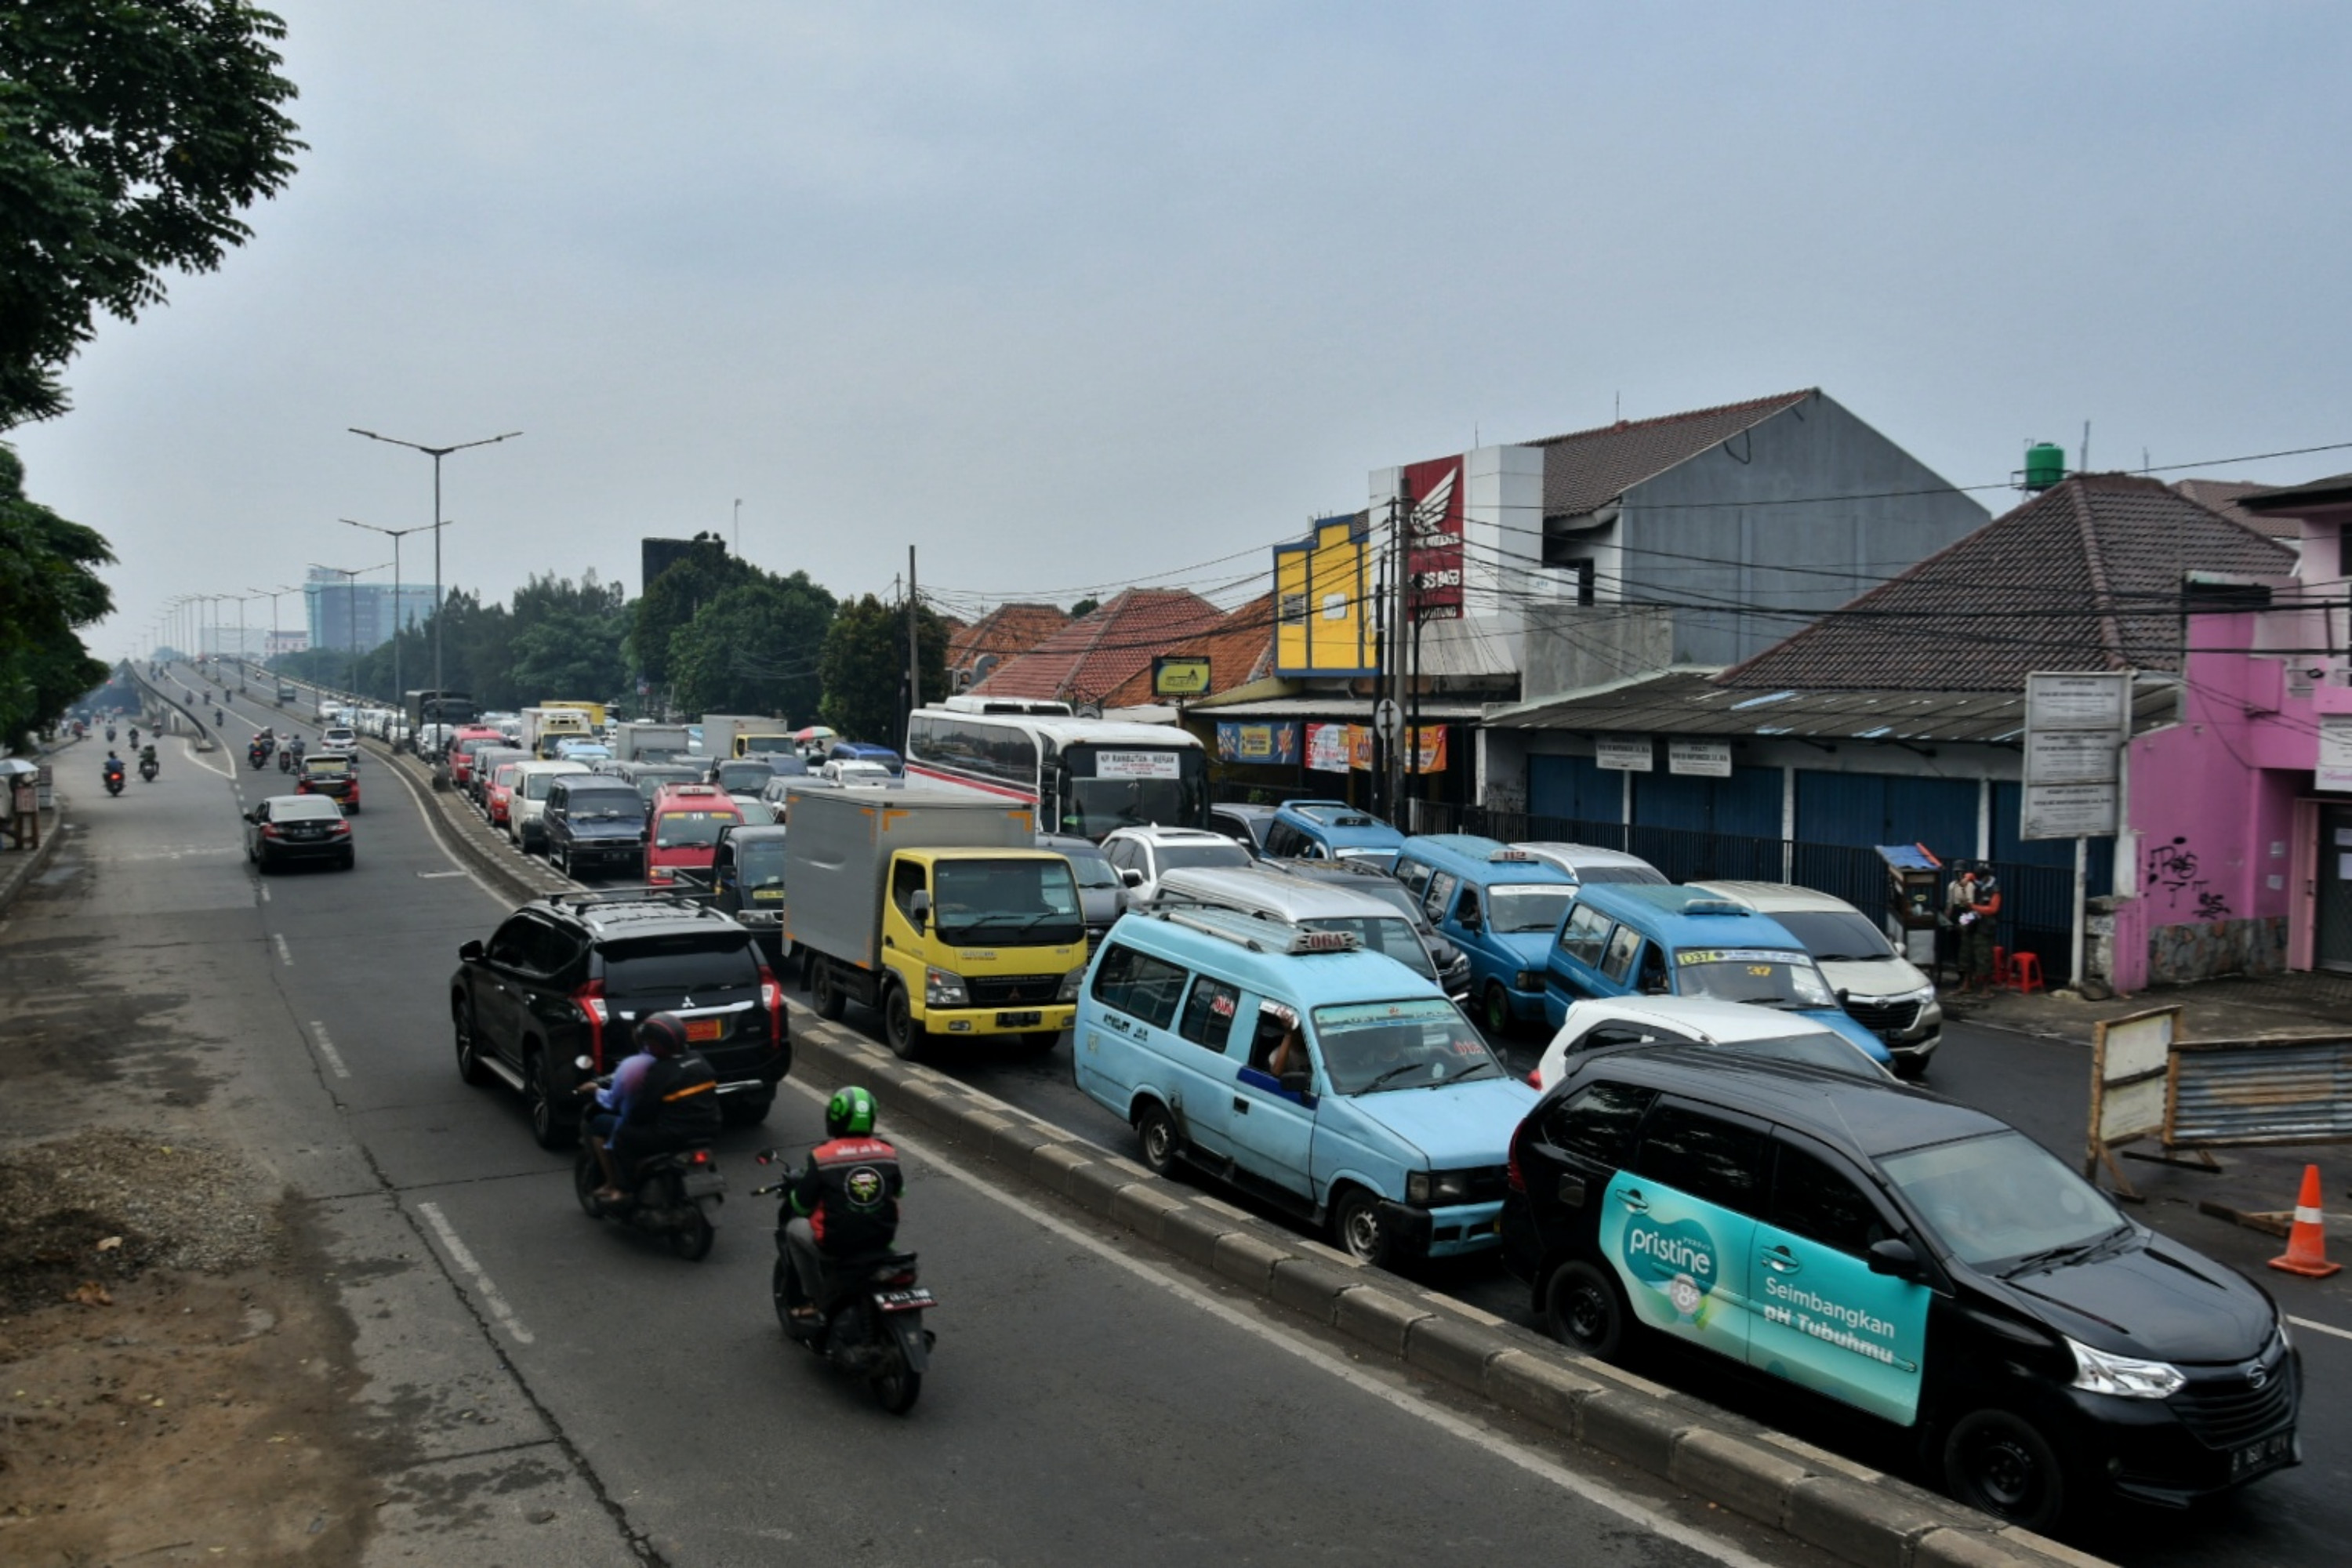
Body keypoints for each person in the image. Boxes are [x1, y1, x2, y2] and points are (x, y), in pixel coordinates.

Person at [782, 1086, 904, 1325]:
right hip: (882, 1240)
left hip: (837, 1245)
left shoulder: (821, 1156)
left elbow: (802, 1205)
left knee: (793, 1230)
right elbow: (899, 1191)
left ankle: (815, 1299)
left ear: (834, 1119)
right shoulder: (888, 1153)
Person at [594, 1011, 721, 1203]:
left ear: (659, 1045)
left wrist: (631, 1119)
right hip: (709, 1128)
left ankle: (624, 1189)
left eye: (651, 1043)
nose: (648, 1047)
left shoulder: (660, 1072)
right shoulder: (699, 1060)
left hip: (672, 1135)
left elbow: (641, 1112)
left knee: (622, 1135)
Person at [1951, 861, 2003, 992]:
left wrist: (1973, 907)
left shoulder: (1994, 890)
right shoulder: (1979, 883)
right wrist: (1967, 879)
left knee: (1984, 957)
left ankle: (1986, 988)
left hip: (1985, 927)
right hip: (1973, 924)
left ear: (1986, 877)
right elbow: (1969, 876)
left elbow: (1993, 909)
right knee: (1966, 954)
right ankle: (1966, 984)